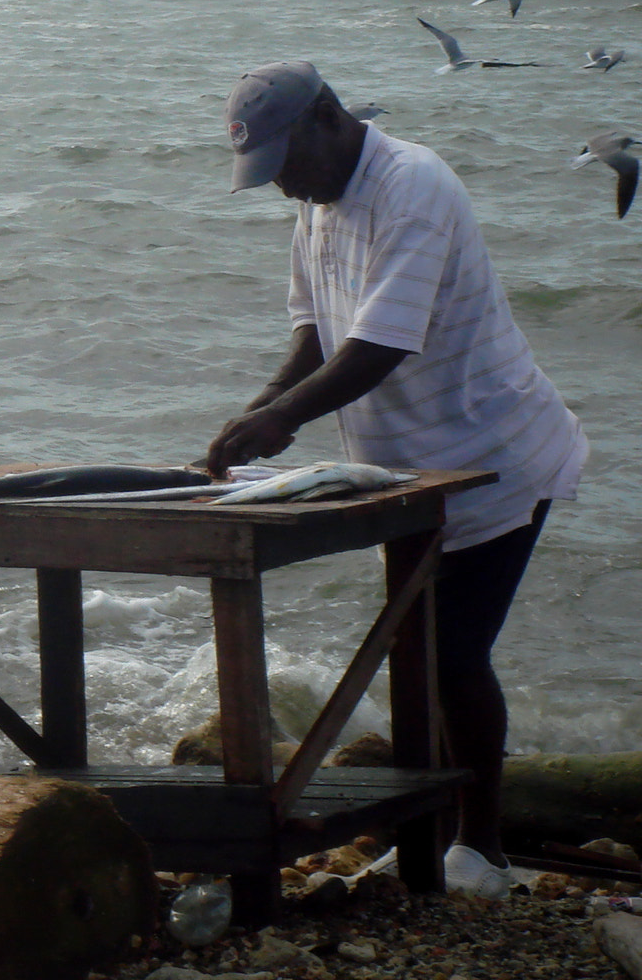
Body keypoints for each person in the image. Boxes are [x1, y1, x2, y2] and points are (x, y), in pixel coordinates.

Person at [207, 60, 586, 900]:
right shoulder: (315, 204)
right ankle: (434, 839)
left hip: (493, 454)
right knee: (418, 657)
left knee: (453, 656)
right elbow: (317, 333)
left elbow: (380, 345)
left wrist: (283, 421)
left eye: (285, 165)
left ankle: (480, 849)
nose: (283, 189)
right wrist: (259, 408)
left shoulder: (414, 185)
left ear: (328, 119)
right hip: (403, 475)